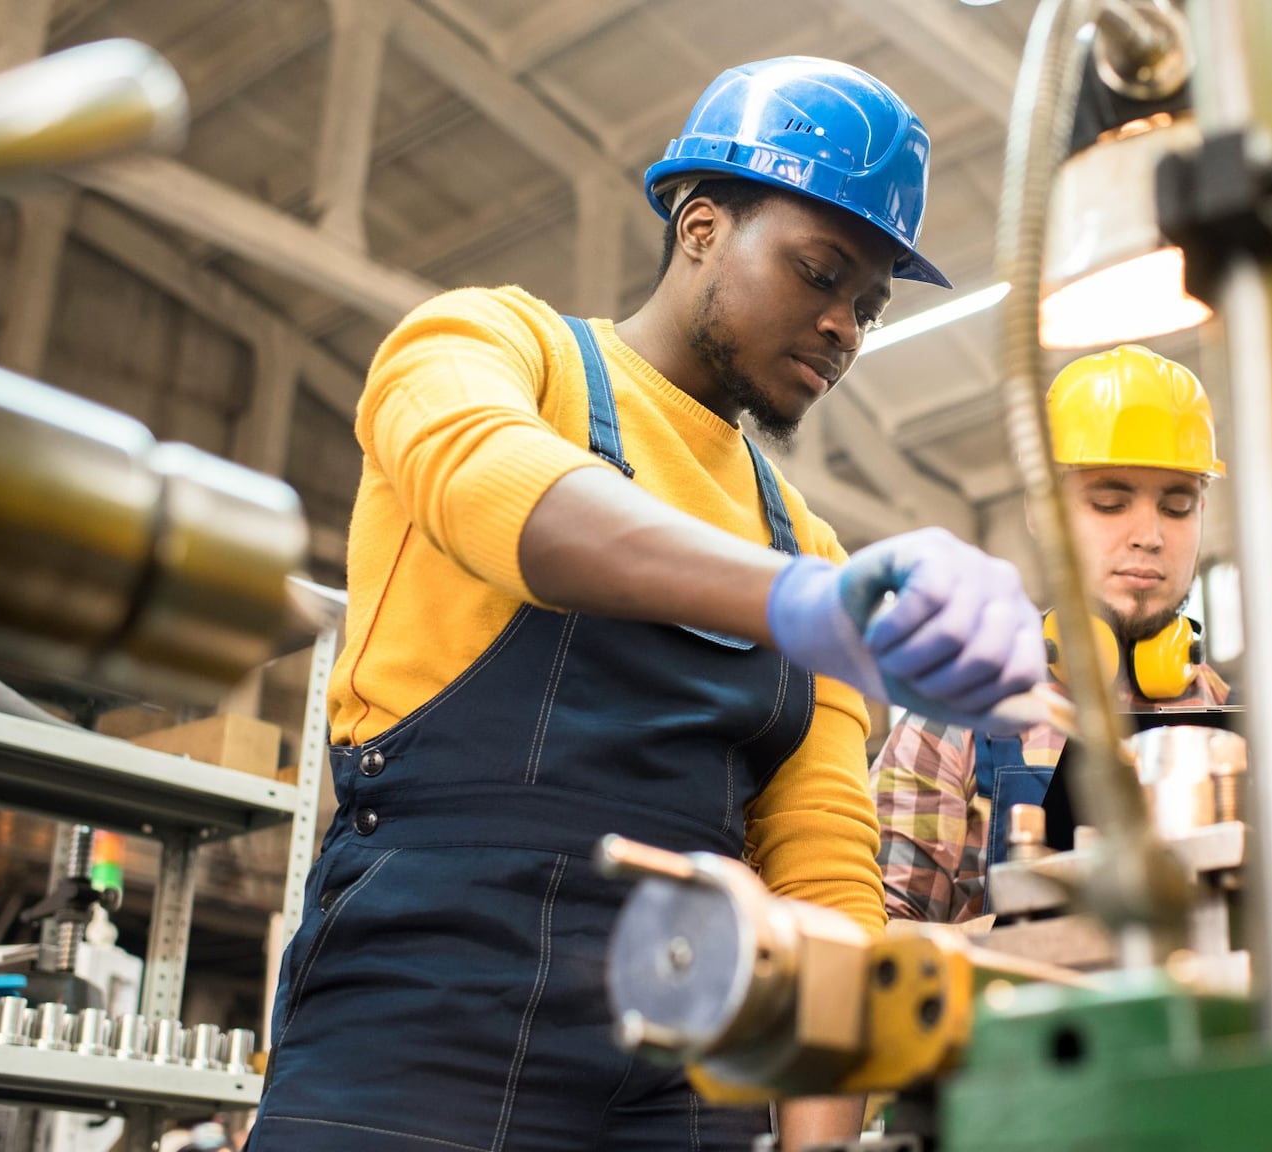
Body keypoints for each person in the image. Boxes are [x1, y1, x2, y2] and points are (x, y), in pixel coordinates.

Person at [251, 57, 1046, 1152]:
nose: (843, 329)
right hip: (421, 1035)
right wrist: (802, 605)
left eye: (865, 305)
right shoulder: (494, 348)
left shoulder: (802, 535)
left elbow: (820, 877)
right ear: (702, 225)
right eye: (818, 273)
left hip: (687, 1078)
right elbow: (499, 488)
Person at [872, 345, 1232, 924]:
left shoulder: (1227, 722)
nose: (1149, 535)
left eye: (1177, 505)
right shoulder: (954, 717)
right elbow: (880, 945)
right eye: (1111, 503)